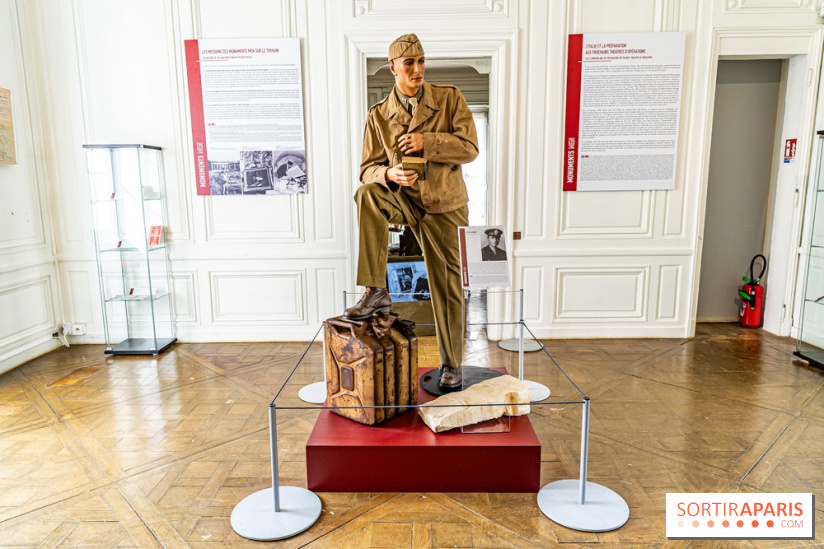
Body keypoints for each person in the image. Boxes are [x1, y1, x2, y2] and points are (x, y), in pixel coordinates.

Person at [343, 33, 478, 389]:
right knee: (367, 193)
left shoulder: (449, 98)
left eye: (421, 61)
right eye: (409, 63)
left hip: (445, 205)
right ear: (393, 68)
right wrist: (388, 173)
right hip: (404, 199)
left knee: (447, 285)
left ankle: (452, 364)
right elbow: (367, 169)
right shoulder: (378, 116)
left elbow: (469, 149)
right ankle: (376, 290)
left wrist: (427, 142)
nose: (417, 69)